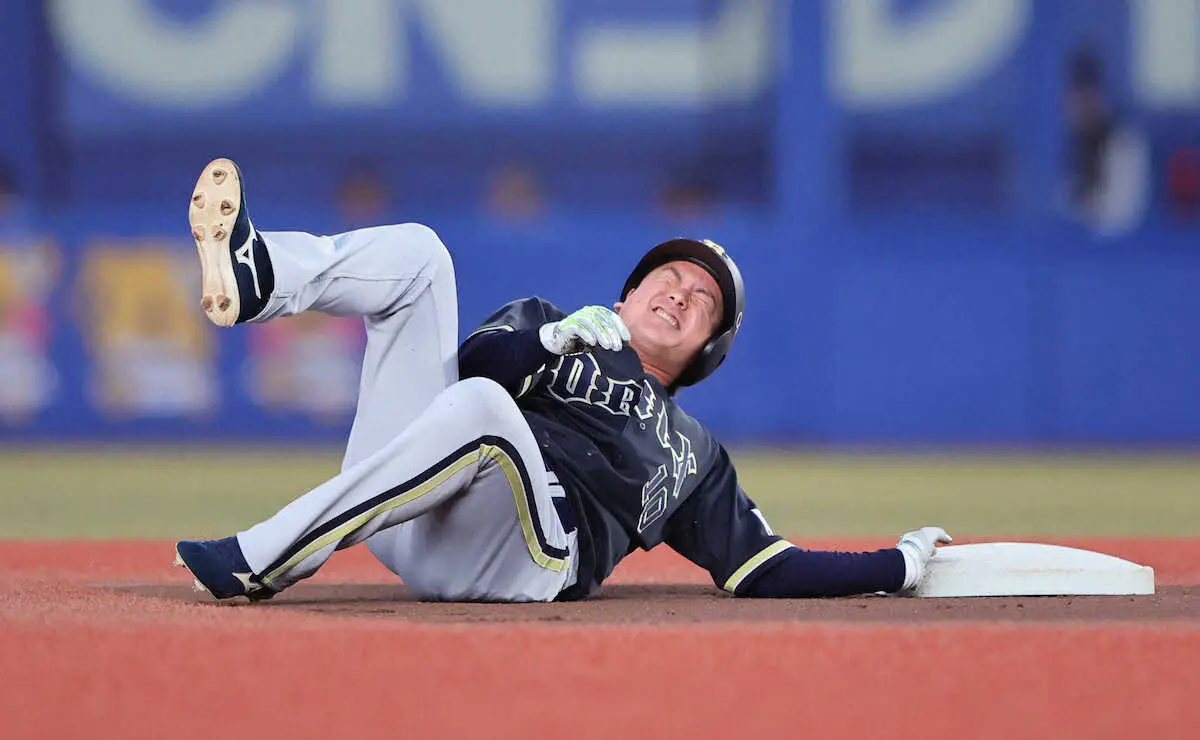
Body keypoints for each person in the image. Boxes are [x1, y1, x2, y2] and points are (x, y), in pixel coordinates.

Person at [175, 158, 950, 603]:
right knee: (421, 255)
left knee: (480, 410)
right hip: (414, 512)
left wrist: (900, 565)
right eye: (668, 277)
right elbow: (474, 369)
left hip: (530, 556)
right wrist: (546, 341)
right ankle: (261, 276)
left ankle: (261, 557)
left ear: (707, 351)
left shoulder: (695, 454)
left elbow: (762, 566)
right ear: (626, 297)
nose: (681, 291)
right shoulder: (550, 322)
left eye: (703, 301)